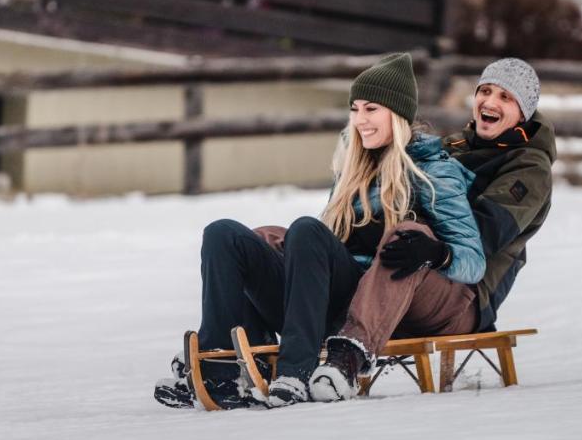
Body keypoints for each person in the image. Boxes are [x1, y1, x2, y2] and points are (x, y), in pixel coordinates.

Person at [155, 52, 485, 409]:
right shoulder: (351, 169)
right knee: (226, 234)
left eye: (371, 109)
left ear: (398, 114)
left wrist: (438, 252)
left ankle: (295, 369)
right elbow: (322, 245)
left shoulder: (434, 171)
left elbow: (473, 261)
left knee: (311, 230)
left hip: (390, 304)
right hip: (335, 299)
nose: (361, 120)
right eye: (355, 109)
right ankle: (220, 367)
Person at [308, 58, 555, 400]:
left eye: (506, 97)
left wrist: (415, 236)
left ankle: (349, 355)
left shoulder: (529, 168)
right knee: (305, 238)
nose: (491, 102)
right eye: (485, 91)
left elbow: (482, 237)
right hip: (410, 283)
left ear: (524, 112)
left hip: (464, 297)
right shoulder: (453, 147)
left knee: (409, 238)